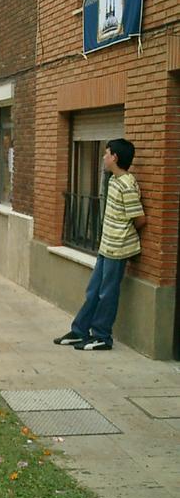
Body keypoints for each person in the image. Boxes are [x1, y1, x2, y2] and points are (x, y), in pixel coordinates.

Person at [54, 139, 146, 351]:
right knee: (93, 290)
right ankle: (79, 331)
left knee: (107, 293)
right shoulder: (113, 180)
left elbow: (140, 219)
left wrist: (123, 234)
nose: (103, 157)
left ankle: (102, 336)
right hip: (106, 246)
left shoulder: (127, 185)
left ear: (115, 157)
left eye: (106, 154)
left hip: (118, 248)